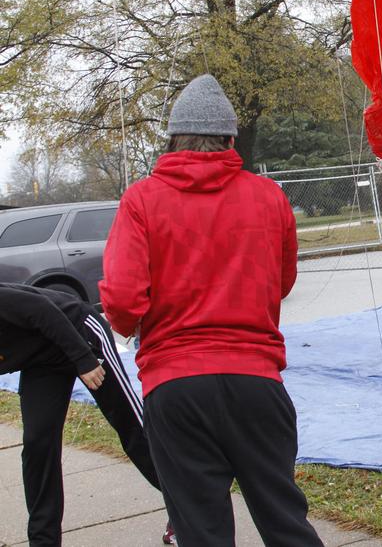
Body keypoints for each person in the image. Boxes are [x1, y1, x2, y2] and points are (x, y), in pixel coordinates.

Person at [100, 74, 323, 546]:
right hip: (256, 380)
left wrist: (131, 325)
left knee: (200, 528)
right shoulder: (268, 195)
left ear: (174, 138)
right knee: (284, 518)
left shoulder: (141, 199)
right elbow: (281, 283)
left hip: (175, 385)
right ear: (229, 138)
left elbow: (121, 298)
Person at [0, 283, 170, 546]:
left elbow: (42, 309)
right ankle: (43, 541)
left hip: (80, 334)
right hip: (42, 360)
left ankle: (190, 506)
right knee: (38, 443)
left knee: (130, 427)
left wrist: (84, 359)